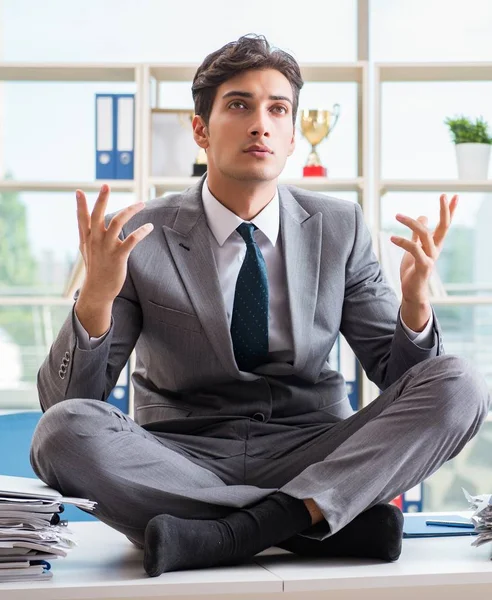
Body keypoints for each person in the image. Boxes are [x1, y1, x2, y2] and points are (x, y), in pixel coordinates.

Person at [31, 34, 489, 577]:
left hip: (314, 451)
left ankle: (228, 533)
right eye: (239, 105)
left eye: (278, 109)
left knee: (461, 384)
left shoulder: (338, 226)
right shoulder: (142, 234)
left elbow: (406, 383)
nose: (261, 123)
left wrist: (413, 306)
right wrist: (97, 299)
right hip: (181, 461)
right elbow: (69, 402)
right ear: (200, 129)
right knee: (61, 433)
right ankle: (307, 522)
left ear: (293, 135)